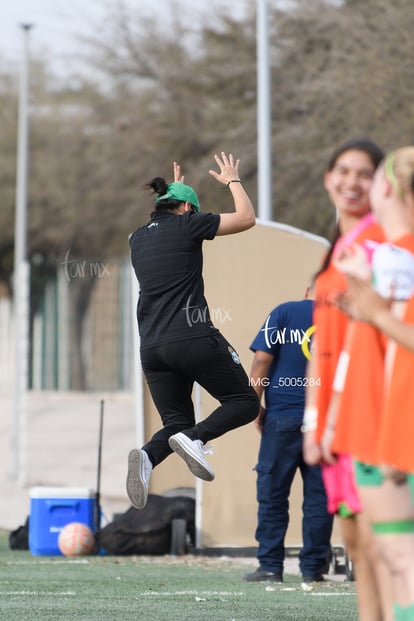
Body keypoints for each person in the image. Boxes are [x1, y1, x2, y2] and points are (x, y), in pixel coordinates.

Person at [126, 152, 260, 510]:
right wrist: (233, 180)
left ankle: (148, 457)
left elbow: (170, 217)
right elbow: (247, 219)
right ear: (187, 210)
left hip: (152, 348)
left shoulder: (136, 238)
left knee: (175, 423)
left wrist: (179, 188)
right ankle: (195, 438)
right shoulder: (188, 225)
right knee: (245, 403)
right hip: (192, 338)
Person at [302, 138, 394, 621]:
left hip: (372, 414)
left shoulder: (383, 246)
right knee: (357, 547)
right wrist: (314, 422)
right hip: (337, 418)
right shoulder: (337, 250)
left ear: (380, 183)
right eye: (343, 171)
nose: (351, 181)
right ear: (327, 178)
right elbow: (324, 348)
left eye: (364, 173)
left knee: (382, 553)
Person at [326, 147, 414, 621]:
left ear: (387, 189)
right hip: (385, 432)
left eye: (369, 176)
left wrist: (376, 314)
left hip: (393, 431)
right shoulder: (383, 255)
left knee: (398, 564)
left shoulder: (396, 257)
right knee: (389, 561)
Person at [243, 291, 333, 584]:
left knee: (272, 495)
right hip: (323, 424)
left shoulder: (283, 312)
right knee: (319, 498)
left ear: (307, 291)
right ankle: (314, 569)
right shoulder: (340, 319)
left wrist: (252, 405)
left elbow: (261, 361)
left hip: (281, 421)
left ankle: (270, 567)